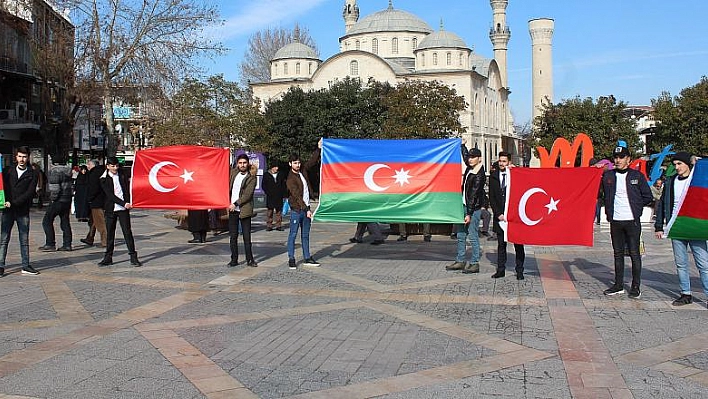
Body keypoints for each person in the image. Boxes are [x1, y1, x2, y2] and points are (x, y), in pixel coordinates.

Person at [654, 152, 708, 306]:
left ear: (688, 164)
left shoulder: (696, 180)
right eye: (675, 164)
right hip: (676, 227)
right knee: (681, 263)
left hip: (694, 228)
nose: (676, 167)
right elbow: (663, 205)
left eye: (680, 164)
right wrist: (659, 226)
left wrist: (700, 160)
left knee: (703, 263)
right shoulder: (670, 181)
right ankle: (686, 293)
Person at [600, 146, 652, 298]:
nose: (618, 160)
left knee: (635, 254)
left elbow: (647, 196)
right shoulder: (608, 176)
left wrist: (636, 208)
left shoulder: (637, 176)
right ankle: (618, 285)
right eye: (616, 157)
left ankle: (636, 286)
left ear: (628, 159)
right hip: (615, 220)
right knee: (618, 254)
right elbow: (598, 193)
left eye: (621, 157)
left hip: (632, 221)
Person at [0, 146, 39, 276]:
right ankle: (1, 266)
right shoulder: (7, 171)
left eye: (24, 156)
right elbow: (2, 187)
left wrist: (13, 202)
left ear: (28, 158)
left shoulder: (32, 173)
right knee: (4, 239)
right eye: (20, 156)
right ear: (16, 157)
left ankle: (25, 265)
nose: (22, 159)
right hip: (7, 210)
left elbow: (29, 192)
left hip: (22, 211)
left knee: (24, 239)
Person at [97, 157, 142, 267]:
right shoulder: (103, 179)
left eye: (116, 166)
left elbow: (130, 185)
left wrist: (129, 201)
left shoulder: (122, 174)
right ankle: (108, 257)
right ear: (107, 166)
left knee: (127, 232)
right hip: (111, 209)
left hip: (123, 209)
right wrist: (123, 203)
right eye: (112, 166)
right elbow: (110, 195)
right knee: (110, 234)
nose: (115, 168)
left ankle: (133, 256)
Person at [447, 147, 486, 273]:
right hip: (463, 206)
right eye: (469, 157)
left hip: (473, 209)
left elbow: (473, 196)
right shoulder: (471, 168)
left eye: (473, 157)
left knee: (472, 236)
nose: (470, 159)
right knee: (460, 235)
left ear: (479, 159)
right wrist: (462, 146)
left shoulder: (479, 174)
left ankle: (474, 263)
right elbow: (465, 158)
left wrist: (469, 214)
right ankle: (460, 260)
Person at [489, 151, 525, 280]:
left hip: (514, 216)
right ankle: (500, 269)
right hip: (500, 216)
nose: (501, 163)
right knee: (501, 245)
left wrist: (517, 171)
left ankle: (519, 270)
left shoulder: (516, 175)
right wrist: (498, 213)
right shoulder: (493, 176)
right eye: (500, 161)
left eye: (504, 161)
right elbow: (491, 197)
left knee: (518, 244)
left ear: (509, 162)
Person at [286, 140, 322, 269]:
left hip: (306, 209)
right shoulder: (290, 179)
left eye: (299, 162)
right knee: (293, 234)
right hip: (298, 210)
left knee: (305, 235)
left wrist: (318, 149)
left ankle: (307, 257)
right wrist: (306, 209)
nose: (298, 165)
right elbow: (297, 196)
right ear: (290, 164)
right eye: (295, 163)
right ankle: (291, 258)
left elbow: (312, 162)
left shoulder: (302, 172)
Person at [228, 154, 257, 267]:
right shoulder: (233, 174)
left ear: (248, 163)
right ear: (237, 164)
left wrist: (235, 204)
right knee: (233, 236)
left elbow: (247, 195)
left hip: (244, 209)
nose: (242, 165)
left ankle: (250, 259)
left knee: (246, 236)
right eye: (240, 163)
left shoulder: (252, 177)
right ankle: (234, 259)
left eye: (244, 163)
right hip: (232, 210)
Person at [39, 156, 73, 252]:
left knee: (47, 221)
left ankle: (50, 243)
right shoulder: (68, 171)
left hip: (58, 200)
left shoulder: (55, 172)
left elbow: (55, 189)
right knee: (65, 222)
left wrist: (53, 199)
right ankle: (67, 244)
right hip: (67, 199)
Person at [81, 160, 107, 247]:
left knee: (100, 223)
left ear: (93, 165)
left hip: (96, 202)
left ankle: (105, 241)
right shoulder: (101, 172)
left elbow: (93, 188)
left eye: (88, 164)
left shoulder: (94, 174)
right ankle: (89, 238)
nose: (87, 166)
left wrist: (89, 198)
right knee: (93, 221)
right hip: (101, 200)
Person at [262, 163, 286, 231]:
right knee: (270, 211)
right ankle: (269, 225)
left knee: (278, 212)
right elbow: (264, 185)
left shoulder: (281, 174)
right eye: (275, 167)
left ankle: (279, 225)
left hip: (279, 195)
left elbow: (283, 184)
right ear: (272, 168)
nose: (276, 168)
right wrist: (267, 192)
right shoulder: (266, 174)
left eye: (277, 167)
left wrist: (283, 193)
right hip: (270, 196)